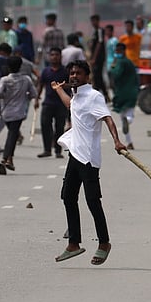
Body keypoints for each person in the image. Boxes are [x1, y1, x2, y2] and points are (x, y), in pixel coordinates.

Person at [51, 60, 126, 266]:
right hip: (75, 154)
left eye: (78, 73)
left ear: (87, 76)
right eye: (72, 73)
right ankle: (74, 243)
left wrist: (117, 141)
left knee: (93, 201)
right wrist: (59, 89)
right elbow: (70, 105)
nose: (74, 76)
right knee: (67, 196)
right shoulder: (76, 96)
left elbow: (107, 118)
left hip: (89, 158)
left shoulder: (94, 96)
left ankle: (104, 243)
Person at [0, 55, 38, 175]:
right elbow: (33, 93)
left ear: (8, 67)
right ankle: (5, 159)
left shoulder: (4, 80)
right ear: (20, 66)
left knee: (12, 135)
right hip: (19, 112)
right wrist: (26, 97)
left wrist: (5, 96)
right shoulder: (26, 79)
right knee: (12, 136)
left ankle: (10, 159)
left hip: (6, 112)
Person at [35, 46, 69, 159]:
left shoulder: (65, 71)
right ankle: (47, 149)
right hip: (48, 103)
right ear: (49, 57)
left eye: (57, 55)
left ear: (60, 56)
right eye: (52, 55)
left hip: (61, 104)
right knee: (45, 126)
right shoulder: (46, 71)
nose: (54, 57)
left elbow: (71, 86)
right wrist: (37, 98)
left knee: (59, 127)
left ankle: (58, 151)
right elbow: (40, 84)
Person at [109, 41, 139, 149]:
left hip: (121, 92)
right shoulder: (130, 62)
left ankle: (129, 140)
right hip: (132, 91)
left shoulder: (120, 62)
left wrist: (112, 67)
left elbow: (116, 74)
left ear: (122, 51)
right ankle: (129, 142)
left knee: (122, 116)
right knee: (130, 113)